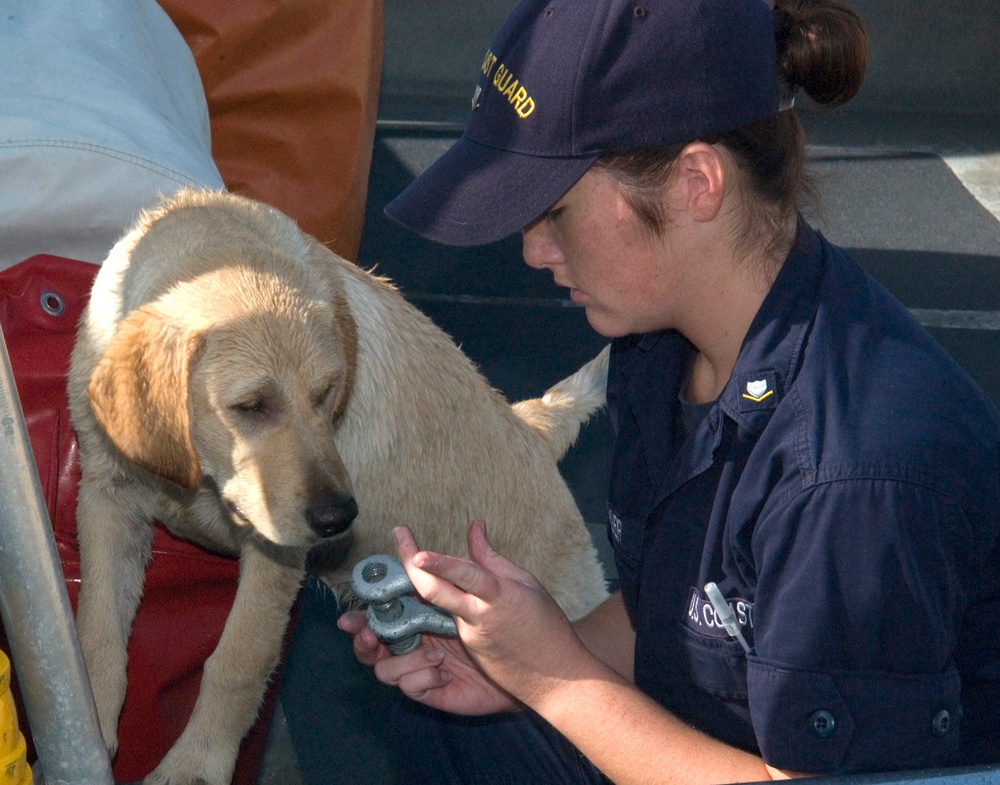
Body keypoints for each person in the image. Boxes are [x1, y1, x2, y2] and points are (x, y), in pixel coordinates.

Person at [338, 0, 1000, 781]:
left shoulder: (851, 475)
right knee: (457, 728)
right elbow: (686, 608)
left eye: (554, 210)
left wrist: (554, 675)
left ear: (696, 182)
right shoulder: (662, 345)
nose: (533, 249)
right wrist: (514, 660)